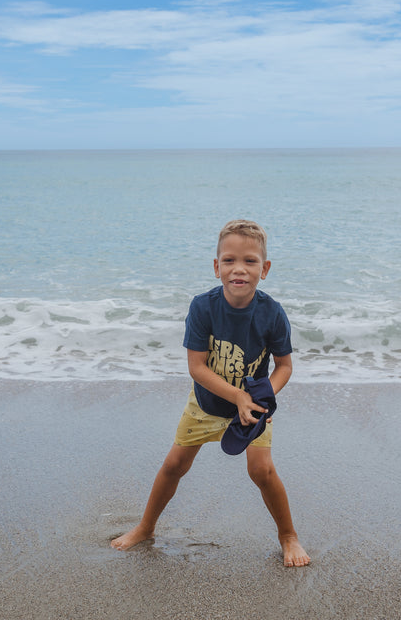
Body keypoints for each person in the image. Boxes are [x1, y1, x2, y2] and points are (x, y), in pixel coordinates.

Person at [111, 219, 310, 567]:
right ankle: (145, 527)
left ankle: (288, 536)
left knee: (261, 472)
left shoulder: (272, 314)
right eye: (230, 260)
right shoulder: (203, 307)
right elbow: (197, 368)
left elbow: (284, 367)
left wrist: (265, 399)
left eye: (250, 261)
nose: (239, 269)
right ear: (217, 266)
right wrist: (236, 396)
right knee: (174, 465)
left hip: (252, 409)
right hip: (204, 405)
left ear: (264, 269)